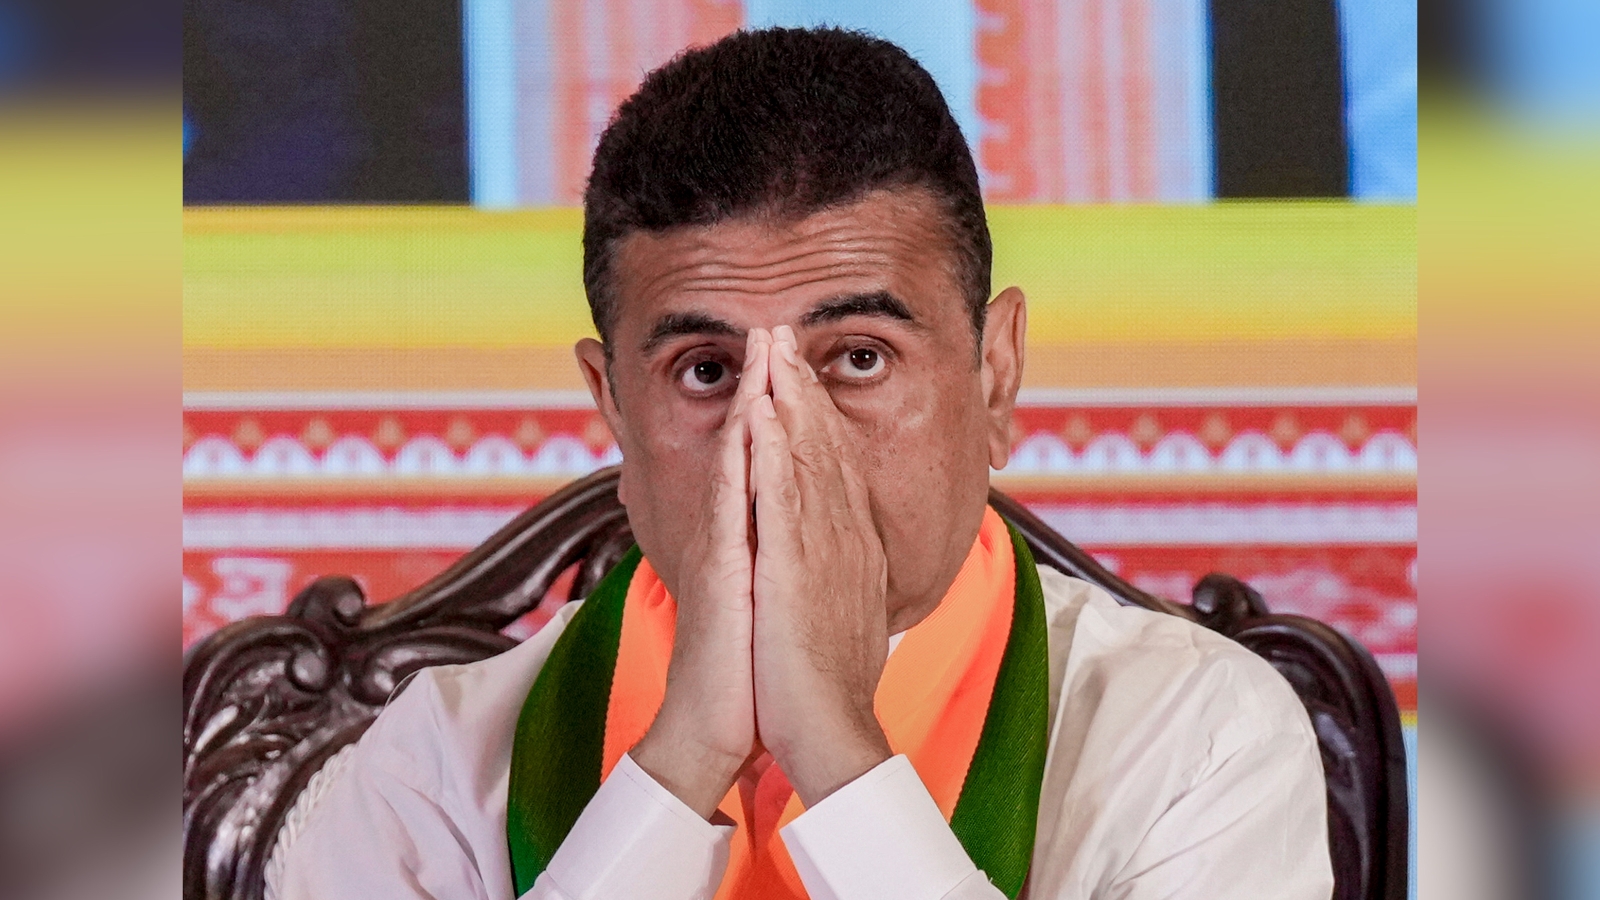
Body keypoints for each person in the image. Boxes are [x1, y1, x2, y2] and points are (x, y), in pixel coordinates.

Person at [279, 26, 1332, 900]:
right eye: (704, 371)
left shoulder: (1200, 738)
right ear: (611, 409)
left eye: (858, 359)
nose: (776, 439)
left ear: (995, 376)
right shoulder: (430, 768)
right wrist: (681, 757)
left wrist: (834, 744)